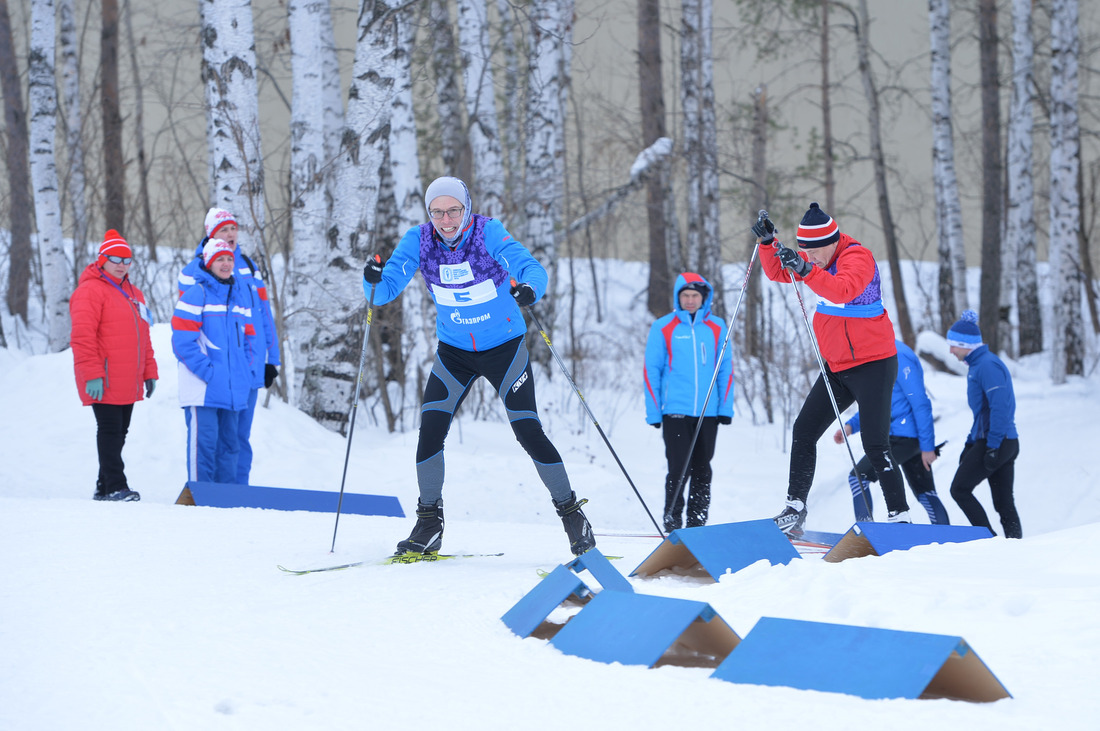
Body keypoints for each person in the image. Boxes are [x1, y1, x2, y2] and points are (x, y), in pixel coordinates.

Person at [362, 176, 596, 557]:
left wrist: (530, 289)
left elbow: (529, 266)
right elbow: (384, 290)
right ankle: (429, 524)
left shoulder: (488, 232)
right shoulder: (418, 240)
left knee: (527, 431)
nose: (446, 219)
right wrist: (370, 278)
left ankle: (571, 514)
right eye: (437, 211)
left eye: (453, 210)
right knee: (430, 431)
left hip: (504, 348)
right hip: (454, 351)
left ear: (466, 208)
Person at [752, 203, 910, 534]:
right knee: (804, 430)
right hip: (837, 367)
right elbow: (779, 273)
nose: (811, 257)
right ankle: (795, 509)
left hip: (874, 365)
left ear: (832, 241)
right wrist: (768, 245)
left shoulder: (857, 257)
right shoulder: (815, 257)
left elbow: (842, 290)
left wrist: (807, 270)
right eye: (804, 251)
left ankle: (900, 516)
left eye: (815, 251)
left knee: (875, 444)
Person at [178, 208, 280, 485]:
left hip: (246, 367)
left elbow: (262, 313)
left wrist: (270, 358)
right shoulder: (195, 272)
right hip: (215, 371)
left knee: (238, 438)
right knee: (212, 439)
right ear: (211, 234)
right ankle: (209, 496)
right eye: (224, 229)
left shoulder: (246, 264)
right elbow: (189, 328)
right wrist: (210, 370)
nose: (231, 234)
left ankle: (238, 495)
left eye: (233, 228)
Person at [69, 230, 158, 502]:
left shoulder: (134, 293)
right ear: (102, 260)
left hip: (128, 376)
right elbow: (82, 338)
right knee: (109, 430)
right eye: (115, 258)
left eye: (127, 259)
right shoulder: (90, 291)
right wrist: (92, 374)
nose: (121, 264)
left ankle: (103, 485)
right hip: (104, 377)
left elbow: (144, 337)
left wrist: (149, 372)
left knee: (120, 432)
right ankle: (117, 486)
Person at [644, 272, 734, 532]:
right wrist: (654, 412)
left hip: (709, 412)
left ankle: (697, 525)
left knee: (703, 469)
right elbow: (652, 371)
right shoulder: (663, 327)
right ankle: (672, 523)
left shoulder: (717, 327)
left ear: (704, 298)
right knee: (678, 469)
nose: (690, 300)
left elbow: (725, 369)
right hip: (676, 412)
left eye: (695, 295)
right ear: (678, 297)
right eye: (685, 295)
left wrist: (725, 407)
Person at [833, 339, 949, 524]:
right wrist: (851, 426)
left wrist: (927, 447)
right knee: (925, 492)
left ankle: (867, 534)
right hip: (903, 436)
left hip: (904, 437)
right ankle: (946, 540)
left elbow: (920, 402)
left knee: (858, 478)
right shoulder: (875, 355)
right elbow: (877, 402)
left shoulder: (898, 354)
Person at [171, 238, 257, 484]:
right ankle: (202, 499)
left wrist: (244, 370)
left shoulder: (239, 296)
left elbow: (249, 339)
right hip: (204, 388)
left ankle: (226, 502)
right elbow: (181, 342)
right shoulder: (196, 294)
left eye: (229, 258)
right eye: (220, 258)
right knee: (205, 446)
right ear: (208, 263)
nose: (226, 263)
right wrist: (208, 372)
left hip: (232, 388)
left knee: (230, 446)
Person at [945, 310, 1022, 538]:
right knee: (1003, 503)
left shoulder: (987, 365)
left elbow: (1001, 407)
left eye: (953, 345)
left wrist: (993, 445)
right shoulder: (978, 366)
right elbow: (982, 413)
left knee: (959, 489)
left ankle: (989, 541)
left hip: (999, 440)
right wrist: (970, 444)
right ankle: (1016, 548)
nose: (950, 351)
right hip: (1000, 440)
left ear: (966, 344)